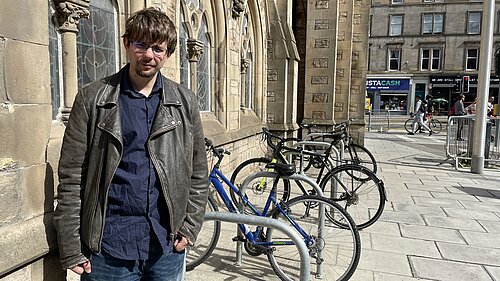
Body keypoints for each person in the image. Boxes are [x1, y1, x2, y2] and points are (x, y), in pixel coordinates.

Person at [53, 7, 209, 281]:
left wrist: (190, 227)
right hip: (108, 249)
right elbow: (71, 177)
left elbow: (197, 174)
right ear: (126, 43)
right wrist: (71, 246)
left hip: (165, 248)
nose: (149, 55)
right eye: (141, 45)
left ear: (168, 53)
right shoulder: (92, 99)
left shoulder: (185, 102)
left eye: (158, 49)